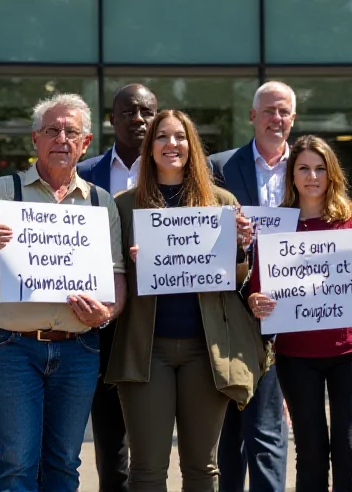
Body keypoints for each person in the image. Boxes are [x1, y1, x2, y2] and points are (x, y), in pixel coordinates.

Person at [0, 94, 127, 492]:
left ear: (86, 143)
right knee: (18, 462)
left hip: (79, 350)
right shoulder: (5, 191)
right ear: (35, 139)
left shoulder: (100, 201)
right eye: (52, 130)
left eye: (71, 132)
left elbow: (117, 277)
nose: (61, 139)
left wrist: (105, 313)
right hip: (13, 349)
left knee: (64, 464)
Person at [105, 109, 266, 492]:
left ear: (192, 147)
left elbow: (237, 283)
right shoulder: (124, 205)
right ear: (149, 147)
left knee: (202, 468)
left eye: (179, 137)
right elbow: (111, 277)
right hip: (147, 352)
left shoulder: (221, 202)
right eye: (161, 137)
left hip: (206, 351)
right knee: (146, 469)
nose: (171, 145)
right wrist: (130, 262)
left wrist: (242, 248)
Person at [247, 134, 352, 492]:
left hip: (351, 351)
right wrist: (257, 303)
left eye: (320, 168)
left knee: (348, 448)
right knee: (310, 451)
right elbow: (259, 293)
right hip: (297, 355)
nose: (312, 176)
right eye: (304, 168)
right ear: (291, 175)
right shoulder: (277, 224)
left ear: (332, 173)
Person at [209, 81, 294, 492]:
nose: (276, 119)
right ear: (252, 116)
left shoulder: (311, 165)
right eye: (269, 111)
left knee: (268, 434)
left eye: (284, 112)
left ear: (293, 118)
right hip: (234, 312)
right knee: (230, 436)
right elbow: (201, 234)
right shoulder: (219, 167)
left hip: (296, 312)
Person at [78, 83, 158, 492]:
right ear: (112, 119)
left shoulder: (176, 173)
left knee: (156, 437)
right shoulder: (84, 173)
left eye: (146, 111)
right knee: (110, 438)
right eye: (128, 112)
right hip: (100, 321)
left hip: (160, 322)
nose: (138, 119)